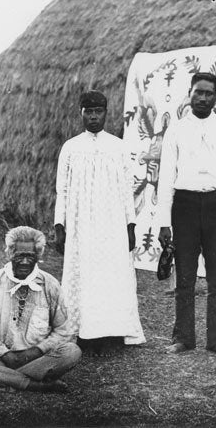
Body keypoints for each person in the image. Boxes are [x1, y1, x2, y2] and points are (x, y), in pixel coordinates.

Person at [157, 72, 216, 357]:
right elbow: (166, 177)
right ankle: (183, 337)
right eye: (199, 92)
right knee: (185, 276)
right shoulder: (177, 129)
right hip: (184, 205)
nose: (203, 98)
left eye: (209, 93)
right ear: (190, 94)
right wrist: (163, 222)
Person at [54, 90, 146, 356]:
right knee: (84, 273)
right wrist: (60, 225)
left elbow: (127, 190)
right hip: (81, 223)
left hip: (112, 223)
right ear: (81, 113)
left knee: (112, 274)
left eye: (98, 112)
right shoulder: (71, 147)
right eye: (88, 112)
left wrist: (130, 226)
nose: (93, 117)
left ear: (106, 112)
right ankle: (84, 332)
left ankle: (112, 331)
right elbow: (63, 189)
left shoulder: (118, 147)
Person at [0, 226, 81, 392]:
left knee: (71, 352)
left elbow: (63, 331)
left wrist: (36, 351)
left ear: (39, 255)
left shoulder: (50, 285)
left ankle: (1, 378)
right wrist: (5, 354)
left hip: (38, 359)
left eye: (30, 256)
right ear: (9, 253)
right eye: (20, 256)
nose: (25, 262)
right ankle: (33, 384)